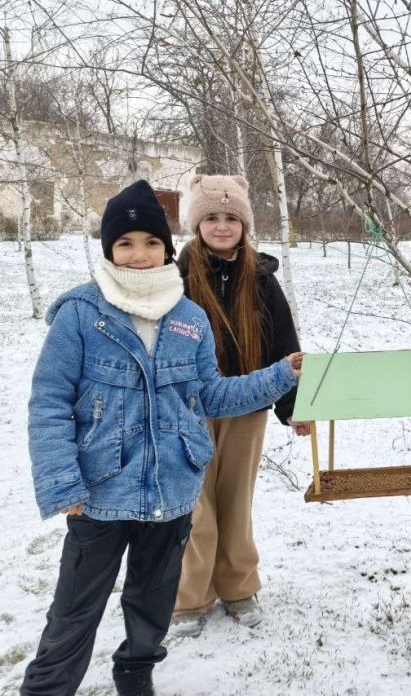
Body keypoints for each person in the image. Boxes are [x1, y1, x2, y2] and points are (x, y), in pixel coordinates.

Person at [22, 180, 304, 696]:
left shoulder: (186, 317)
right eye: (125, 243)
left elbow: (210, 396)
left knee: (150, 610)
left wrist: (281, 375)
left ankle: (136, 679)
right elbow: (49, 404)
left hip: (171, 493)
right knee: (73, 616)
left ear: (165, 248)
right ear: (108, 249)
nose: (139, 255)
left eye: (151, 243)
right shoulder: (81, 316)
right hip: (101, 496)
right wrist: (64, 486)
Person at [170, 174, 309, 636]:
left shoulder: (263, 280)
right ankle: (189, 595)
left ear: (245, 224)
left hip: (246, 406)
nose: (222, 226)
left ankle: (238, 586)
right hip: (188, 408)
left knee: (235, 503)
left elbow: (284, 349)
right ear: (197, 223)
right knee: (196, 506)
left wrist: (292, 409)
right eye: (211, 216)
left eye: (232, 217)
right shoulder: (176, 277)